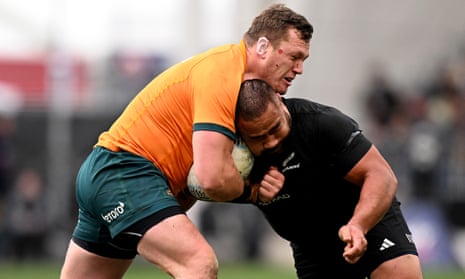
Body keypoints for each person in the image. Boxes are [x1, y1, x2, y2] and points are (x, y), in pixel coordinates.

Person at [60, 3, 313, 279]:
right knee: (198, 264)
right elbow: (211, 178)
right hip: (125, 172)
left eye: (303, 60)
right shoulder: (222, 73)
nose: (299, 68)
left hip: (111, 172)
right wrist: (253, 191)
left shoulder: (239, 86)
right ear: (263, 47)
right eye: (294, 56)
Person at [233, 79, 423, 278]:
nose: (271, 142)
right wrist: (250, 191)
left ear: (280, 103)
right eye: (258, 137)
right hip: (311, 242)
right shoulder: (233, 153)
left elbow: (382, 177)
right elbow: (206, 188)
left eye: (275, 128)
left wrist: (358, 225)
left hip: (364, 219)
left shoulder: (321, 123)